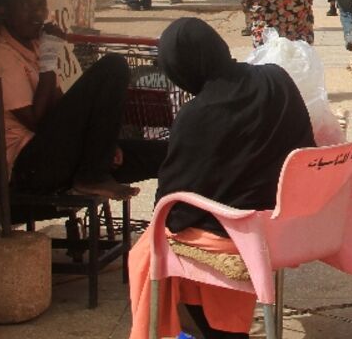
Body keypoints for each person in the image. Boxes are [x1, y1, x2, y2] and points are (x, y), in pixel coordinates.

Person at [128, 18, 314, 339]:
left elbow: (173, 208)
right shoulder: (277, 78)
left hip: (240, 237)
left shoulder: (196, 115)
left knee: (149, 248)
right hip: (290, 225)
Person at [0, 0, 165, 201]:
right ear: (3, 10)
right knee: (113, 67)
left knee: (165, 154)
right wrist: (48, 60)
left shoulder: (35, 46)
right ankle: (92, 176)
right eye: (26, 5)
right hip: (30, 166)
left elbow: (59, 106)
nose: (37, 13)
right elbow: (36, 121)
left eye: (41, 4)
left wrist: (104, 145)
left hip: (59, 153)